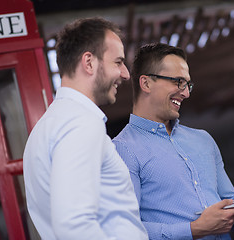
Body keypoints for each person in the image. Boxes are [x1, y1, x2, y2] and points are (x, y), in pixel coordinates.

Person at [112, 42, 234, 239]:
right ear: (146, 83)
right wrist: (194, 229)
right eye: (178, 82)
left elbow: (231, 211)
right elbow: (126, 231)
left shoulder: (203, 140)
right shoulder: (122, 149)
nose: (186, 93)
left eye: (187, 84)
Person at [23, 17, 148, 240]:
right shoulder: (80, 123)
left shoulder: (48, 125)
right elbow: (74, 225)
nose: (126, 73)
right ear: (89, 63)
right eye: (118, 62)